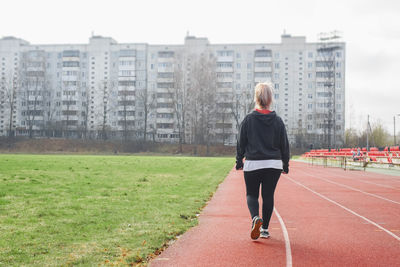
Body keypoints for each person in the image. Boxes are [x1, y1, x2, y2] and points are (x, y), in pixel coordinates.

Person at [236, 82, 290, 240]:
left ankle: (255, 218)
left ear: (256, 98)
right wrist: (285, 164)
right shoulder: (278, 121)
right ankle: (265, 229)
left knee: (251, 195)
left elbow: (241, 142)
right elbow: (284, 144)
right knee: (268, 196)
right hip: (273, 164)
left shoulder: (248, 120)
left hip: (253, 163)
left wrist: (239, 161)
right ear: (270, 99)